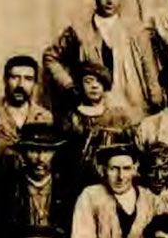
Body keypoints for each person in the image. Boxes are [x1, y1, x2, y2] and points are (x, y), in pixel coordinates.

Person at [43, 0, 163, 117]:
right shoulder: (79, 30)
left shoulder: (136, 31)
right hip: (91, 107)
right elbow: (50, 57)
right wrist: (68, 85)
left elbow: (148, 67)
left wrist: (156, 102)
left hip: (130, 105)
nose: (110, 0)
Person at [0, 123, 75, 238]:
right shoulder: (5, 189)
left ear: (56, 153)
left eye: (47, 151)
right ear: (23, 153)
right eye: (33, 150)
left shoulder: (68, 190)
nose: (40, 158)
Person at [57, 61, 138, 195]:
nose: (94, 86)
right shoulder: (71, 118)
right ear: (80, 85)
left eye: (99, 82)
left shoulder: (118, 117)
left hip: (111, 182)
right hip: (77, 182)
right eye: (88, 81)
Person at [0, 55, 54, 184]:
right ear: (5, 80)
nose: (20, 84)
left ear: (35, 83)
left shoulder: (45, 117)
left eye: (28, 79)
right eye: (14, 77)